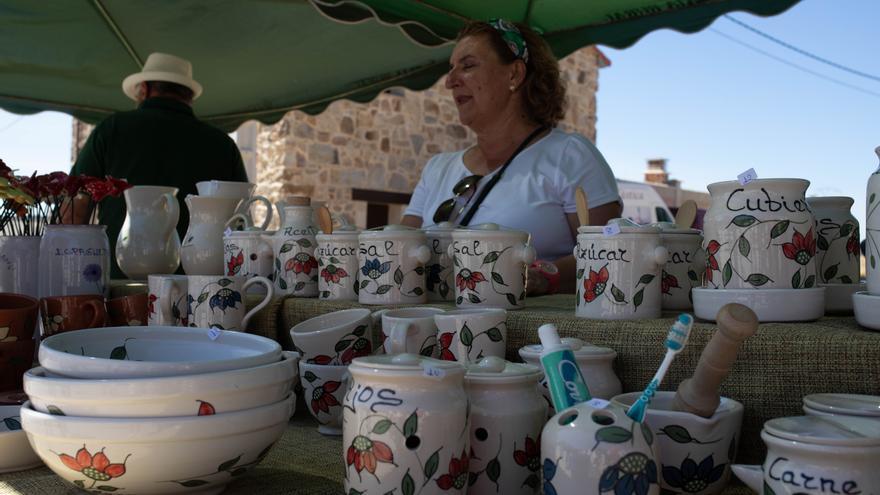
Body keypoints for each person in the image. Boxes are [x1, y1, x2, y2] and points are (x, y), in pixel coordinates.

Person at [401, 19, 622, 295]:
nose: (450, 81)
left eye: (468, 66)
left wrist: (543, 278)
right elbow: (401, 248)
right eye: (451, 69)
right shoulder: (437, 169)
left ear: (514, 74)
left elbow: (610, 254)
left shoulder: (570, 156)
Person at [71, 52, 249, 278]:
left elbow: (74, 210)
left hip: (118, 282)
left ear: (144, 89)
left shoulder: (112, 130)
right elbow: (241, 220)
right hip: (197, 284)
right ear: (190, 96)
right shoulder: (223, 145)